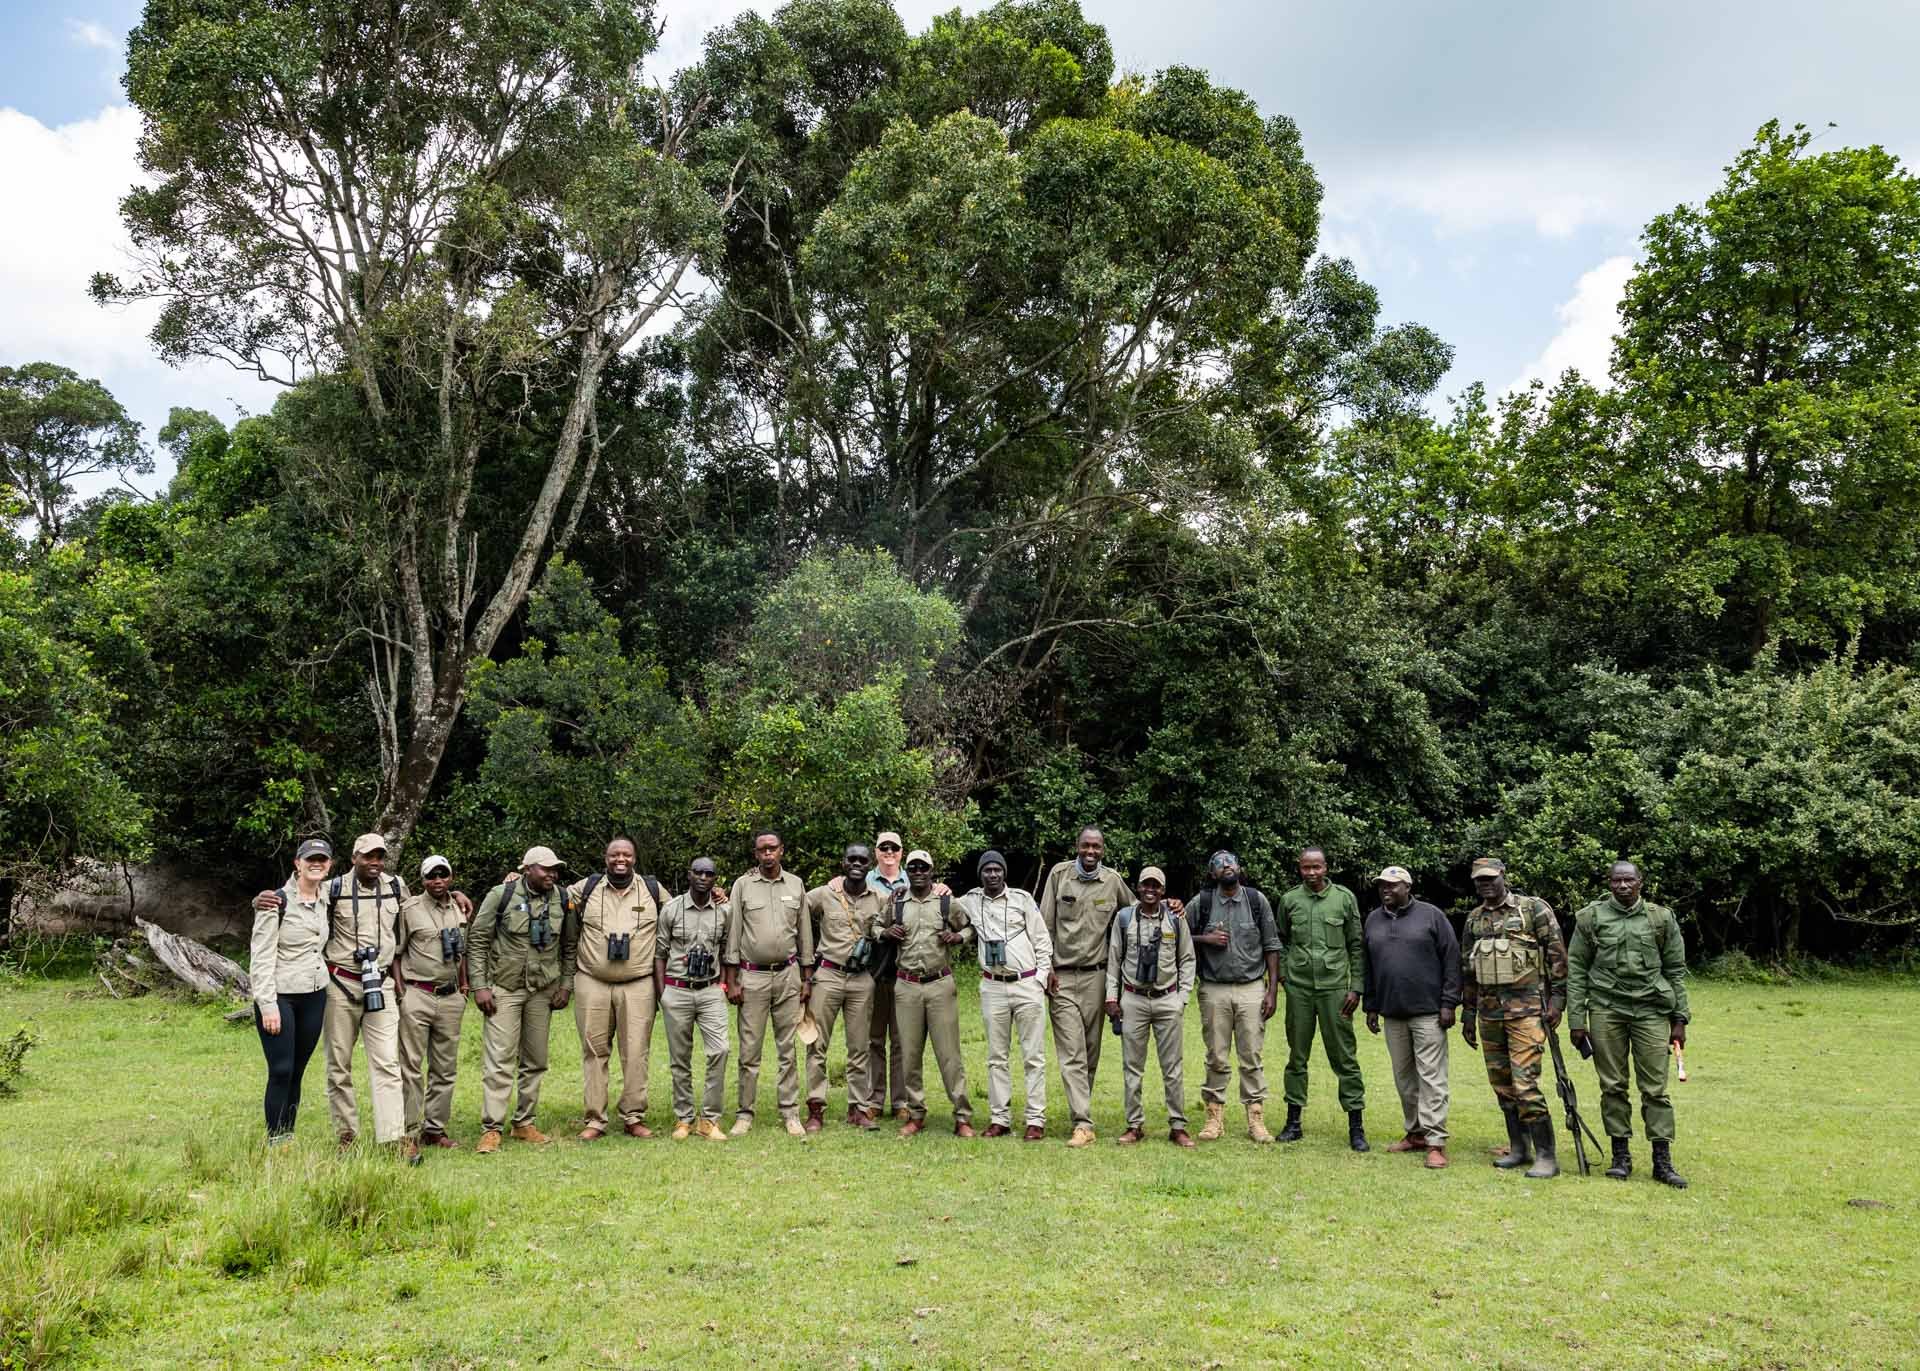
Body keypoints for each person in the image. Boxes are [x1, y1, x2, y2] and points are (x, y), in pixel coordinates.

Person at [1568, 861, 1691, 1187]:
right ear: (1609, 883)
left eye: (1629, 880)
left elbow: (1675, 969)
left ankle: (1661, 1161)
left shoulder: (1660, 918)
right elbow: (1577, 969)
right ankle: (1620, 1156)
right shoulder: (1590, 918)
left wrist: (1680, 1019)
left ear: (1641, 882)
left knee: (1655, 1089)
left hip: (1651, 1010)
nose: (1623, 886)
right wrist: (1577, 1020)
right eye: (1616, 880)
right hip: (1607, 1009)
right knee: (1612, 1085)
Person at [467, 846, 580, 1154]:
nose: (552, 873)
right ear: (528, 868)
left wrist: (566, 985)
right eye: (546, 869)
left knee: (536, 1060)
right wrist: (480, 985)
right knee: (500, 1060)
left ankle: (524, 1123)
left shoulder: (563, 899)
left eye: (555, 869)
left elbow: (570, 946)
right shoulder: (500, 895)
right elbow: (477, 940)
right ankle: (492, 1128)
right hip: (506, 987)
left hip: (543, 990)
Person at [1460, 856, 1567, 1179]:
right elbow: (1468, 969)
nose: (1485, 883)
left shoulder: (1532, 909)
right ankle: (1519, 1148)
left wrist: (1558, 1000)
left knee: (1525, 1083)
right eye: (1480, 879)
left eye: (1491, 877)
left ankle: (1546, 1156)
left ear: (1503, 875)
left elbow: (1557, 954)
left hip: (1527, 1012)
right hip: (1490, 1014)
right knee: (1502, 1085)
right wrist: (1468, 1012)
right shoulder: (1474, 920)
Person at [1037, 827, 1133, 1147]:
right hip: (1061, 977)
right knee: (1072, 1053)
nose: (1090, 852)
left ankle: (1081, 1110)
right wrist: (1046, 967)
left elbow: (1136, 913)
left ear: (1103, 850)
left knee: (1091, 1054)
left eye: (1096, 847)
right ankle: (1083, 1122)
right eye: (1085, 846)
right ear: (1076, 847)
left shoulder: (1112, 881)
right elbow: (1044, 925)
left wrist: (1171, 909)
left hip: (1097, 978)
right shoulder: (1059, 876)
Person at [1362, 865, 1460, 1169]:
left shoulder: (1432, 916)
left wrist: (1449, 1003)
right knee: (1404, 1078)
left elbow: (1452, 958)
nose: (1385, 891)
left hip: (1429, 1011)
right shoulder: (1373, 919)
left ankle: (1435, 1141)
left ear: (1408, 887)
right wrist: (1372, 1005)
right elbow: (1369, 965)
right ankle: (1415, 1132)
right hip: (1392, 1012)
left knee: (1431, 1077)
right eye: (1382, 886)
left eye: (1392, 886)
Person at [569, 837, 664, 1141]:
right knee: (594, 1050)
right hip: (592, 981)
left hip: (638, 984)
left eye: (626, 854)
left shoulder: (653, 890)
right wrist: (514, 882)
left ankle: (633, 1116)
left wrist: (716, 895)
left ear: (635, 858)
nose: (620, 859)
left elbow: (685, 911)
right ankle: (595, 1119)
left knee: (636, 1052)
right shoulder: (585, 889)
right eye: (614, 855)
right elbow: (548, 894)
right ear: (605, 857)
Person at [1275, 846, 1369, 1151]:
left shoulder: (1344, 898)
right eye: (1306, 868)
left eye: (1317, 867)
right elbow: (1282, 941)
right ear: (1299, 869)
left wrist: (1356, 987)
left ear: (1326, 867)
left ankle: (1356, 1127)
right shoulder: (1290, 900)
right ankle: (1293, 1123)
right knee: (1297, 1056)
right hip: (1300, 989)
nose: (1311, 873)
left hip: (1335, 991)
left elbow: (1356, 945)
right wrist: (1286, 976)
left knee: (1344, 1057)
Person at [1185, 850, 1281, 1143]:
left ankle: (1256, 1118)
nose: (1226, 866)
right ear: (1212, 874)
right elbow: (1175, 934)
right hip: (1214, 987)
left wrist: (1272, 990)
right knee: (1216, 1054)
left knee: (1251, 1054)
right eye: (1219, 864)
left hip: (1252, 986)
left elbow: (1272, 945)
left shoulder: (1256, 900)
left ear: (1240, 868)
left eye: (1231, 862)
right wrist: (1205, 939)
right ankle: (1214, 1116)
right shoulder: (1201, 903)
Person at [960, 850, 1053, 1140]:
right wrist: (940, 889)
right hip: (993, 986)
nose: (992, 875)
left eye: (996, 870)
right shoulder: (971, 901)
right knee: (996, 1056)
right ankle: (1000, 1118)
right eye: (987, 870)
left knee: (1033, 1056)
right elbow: (945, 907)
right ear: (980, 874)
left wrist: (1039, 979)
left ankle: (1035, 1119)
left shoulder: (1022, 900)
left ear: (1004, 873)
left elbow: (1042, 940)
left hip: (1026, 984)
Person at [725, 830, 812, 1138]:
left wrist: (807, 976)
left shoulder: (796, 884)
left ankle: (790, 1113)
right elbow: (734, 931)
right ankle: (745, 1114)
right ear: (755, 854)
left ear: (781, 850)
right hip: (752, 977)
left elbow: (804, 932)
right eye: (762, 850)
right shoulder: (743, 886)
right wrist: (731, 979)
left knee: (787, 1048)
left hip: (788, 975)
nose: (768, 854)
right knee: (749, 1049)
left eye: (772, 848)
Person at [883, 850, 976, 1137]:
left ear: (932, 871)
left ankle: (962, 1116)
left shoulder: (946, 902)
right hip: (907, 985)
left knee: (949, 1055)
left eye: (924, 867)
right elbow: (874, 926)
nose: (919, 871)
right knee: (910, 1053)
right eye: (913, 867)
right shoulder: (897, 902)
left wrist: (959, 936)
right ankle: (915, 1113)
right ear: (907, 871)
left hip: (939, 985)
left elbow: (971, 926)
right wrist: (886, 933)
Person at [1104, 867, 1197, 1147]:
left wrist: (1182, 998)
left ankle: (1178, 1125)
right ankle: (1134, 1124)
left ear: (1163, 890)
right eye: (1146, 884)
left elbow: (1188, 960)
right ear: (1138, 886)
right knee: (1132, 1066)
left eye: (1156, 886)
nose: (1150, 890)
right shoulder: (1124, 919)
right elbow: (1114, 961)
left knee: (1173, 1067)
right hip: (1133, 998)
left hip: (1167, 998)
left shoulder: (1175, 920)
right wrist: (1112, 997)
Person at [249, 837, 333, 1143]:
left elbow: (370, 880)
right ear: (297, 863)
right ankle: (275, 1138)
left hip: (314, 993)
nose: (316, 863)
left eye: (322, 859)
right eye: (309, 858)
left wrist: (454, 895)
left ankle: (288, 1133)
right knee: (281, 1068)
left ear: (329, 865)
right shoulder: (276, 902)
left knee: (298, 1069)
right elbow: (260, 956)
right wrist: (267, 1005)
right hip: (281, 994)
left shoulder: (328, 895)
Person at [802, 844, 886, 1131]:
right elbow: (791, 908)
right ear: (843, 861)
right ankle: (815, 1108)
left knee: (860, 1045)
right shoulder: (825, 893)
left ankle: (858, 1108)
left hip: (862, 979)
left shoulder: (880, 898)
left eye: (863, 860)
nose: (857, 864)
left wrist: (941, 889)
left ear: (869, 864)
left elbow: (902, 913)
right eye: (852, 859)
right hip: (827, 975)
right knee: (816, 1043)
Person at [395, 853, 468, 1150]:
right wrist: (401, 992)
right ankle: (409, 1130)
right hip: (417, 993)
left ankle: (435, 1128)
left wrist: (464, 986)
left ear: (450, 877)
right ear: (423, 880)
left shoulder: (461, 907)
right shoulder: (409, 909)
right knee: (410, 1065)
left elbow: (462, 950)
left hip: (450, 996)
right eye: (431, 876)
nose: (437, 880)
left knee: (445, 1066)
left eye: (443, 874)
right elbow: (396, 952)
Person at [658, 857, 732, 1141]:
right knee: (680, 1058)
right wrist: (662, 993)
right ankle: (684, 1118)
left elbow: (727, 950)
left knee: (720, 1050)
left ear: (715, 879)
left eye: (709, 873)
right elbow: (659, 953)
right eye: (698, 872)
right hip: (676, 990)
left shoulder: (724, 911)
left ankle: (709, 1119)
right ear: (689, 875)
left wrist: (723, 984)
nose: (703, 877)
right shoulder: (672, 909)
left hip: (710, 989)